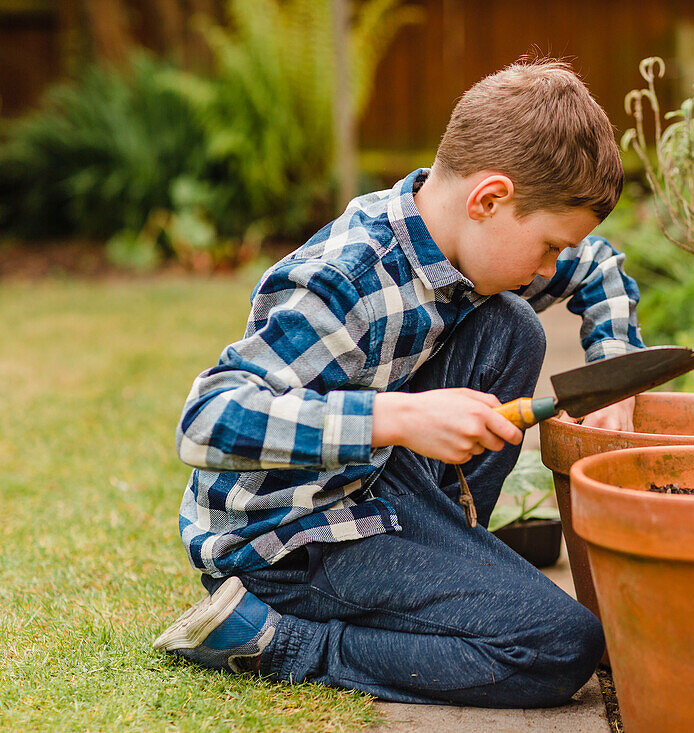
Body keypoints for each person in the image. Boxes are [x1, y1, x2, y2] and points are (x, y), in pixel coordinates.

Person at [152, 58, 644, 708]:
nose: (554, 263)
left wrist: (616, 368)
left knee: (510, 325)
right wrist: (397, 418)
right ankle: (280, 638)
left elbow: (599, 269)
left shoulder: (457, 235)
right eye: (550, 245)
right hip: (292, 541)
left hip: (373, 481)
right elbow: (208, 418)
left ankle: (447, 562)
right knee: (560, 644)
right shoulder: (346, 279)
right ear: (489, 199)